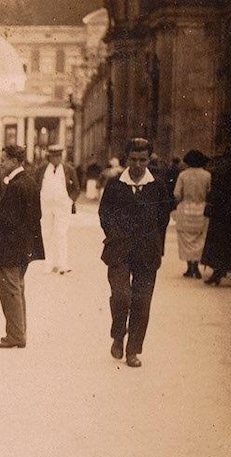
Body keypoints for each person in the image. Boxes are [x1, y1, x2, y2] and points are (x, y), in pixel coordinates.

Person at [98, 138, 176, 368]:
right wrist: (114, 235)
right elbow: (104, 214)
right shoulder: (114, 184)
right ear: (127, 158)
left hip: (147, 253)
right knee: (121, 296)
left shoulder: (158, 186)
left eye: (143, 160)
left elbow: (163, 218)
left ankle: (133, 350)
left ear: (149, 160)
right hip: (119, 251)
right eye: (133, 159)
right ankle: (118, 335)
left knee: (142, 301)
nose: (138, 164)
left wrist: (155, 244)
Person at [0, 144, 44, 349]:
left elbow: (8, 221)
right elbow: (35, 216)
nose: (2, 163)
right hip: (24, 247)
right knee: (17, 289)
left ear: (16, 161)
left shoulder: (17, 185)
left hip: (11, 248)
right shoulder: (29, 182)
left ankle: (15, 336)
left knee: (10, 291)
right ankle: (19, 332)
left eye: (5, 160)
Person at [35, 144, 80, 275]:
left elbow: (76, 188)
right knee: (46, 233)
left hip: (62, 206)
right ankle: (49, 263)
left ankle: (62, 264)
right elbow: (35, 185)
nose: (57, 159)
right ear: (49, 157)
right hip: (45, 205)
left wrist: (70, 201)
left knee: (61, 233)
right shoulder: (42, 169)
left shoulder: (68, 169)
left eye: (59, 156)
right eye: (54, 156)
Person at [200, 147, 231, 287]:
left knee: (219, 243)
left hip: (221, 213)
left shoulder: (220, 169)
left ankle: (217, 273)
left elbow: (214, 192)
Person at [172, 149, 211, 279]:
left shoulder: (183, 175)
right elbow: (210, 191)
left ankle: (190, 267)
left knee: (185, 239)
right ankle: (197, 266)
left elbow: (177, 193)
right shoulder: (207, 175)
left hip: (186, 208)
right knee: (200, 238)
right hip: (201, 209)